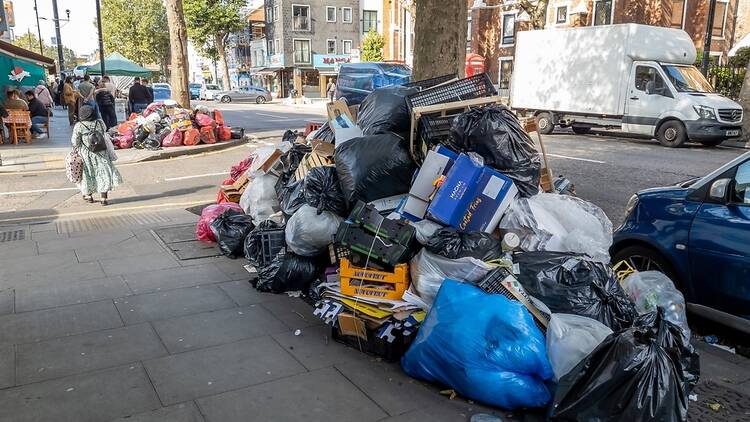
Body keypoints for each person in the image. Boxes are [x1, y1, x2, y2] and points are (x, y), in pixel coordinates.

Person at [71, 105, 121, 206]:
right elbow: (104, 131)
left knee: (87, 174)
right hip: (101, 152)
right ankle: (103, 198)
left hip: (86, 154)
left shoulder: (79, 125)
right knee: (103, 173)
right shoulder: (100, 122)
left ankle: (89, 196)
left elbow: (75, 142)